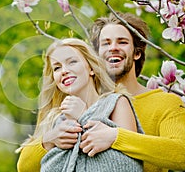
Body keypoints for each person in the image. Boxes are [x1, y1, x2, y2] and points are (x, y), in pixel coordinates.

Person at [16, 12, 185, 172]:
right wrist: (48, 140)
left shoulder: (165, 102)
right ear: (96, 55)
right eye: (106, 43)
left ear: (137, 53)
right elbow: (24, 166)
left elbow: (181, 156)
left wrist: (116, 136)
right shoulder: (76, 103)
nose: (113, 48)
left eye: (122, 42)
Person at [17, 38, 144, 171]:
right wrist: (49, 140)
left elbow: (129, 167)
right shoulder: (55, 118)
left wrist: (84, 115)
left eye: (72, 62)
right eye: (57, 67)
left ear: (91, 68)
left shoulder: (116, 103)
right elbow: (24, 168)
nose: (64, 71)